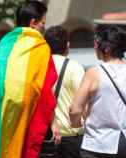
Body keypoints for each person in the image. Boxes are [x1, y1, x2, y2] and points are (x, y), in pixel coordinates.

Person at [0, 1, 58, 158]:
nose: (44, 28)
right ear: (33, 23)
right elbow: (46, 86)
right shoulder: (40, 46)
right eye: (43, 23)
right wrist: (52, 121)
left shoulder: (3, 43)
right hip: (23, 111)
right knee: (17, 148)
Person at [69, 26, 126, 158]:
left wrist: (77, 124)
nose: (94, 46)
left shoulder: (94, 73)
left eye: (97, 42)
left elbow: (75, 110)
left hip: (98, 144)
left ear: (107, 48)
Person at [44, 26, 85, 158]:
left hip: (45, 136)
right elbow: (83, 102)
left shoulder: (39, 65)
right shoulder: (74, 67)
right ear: (67, 45)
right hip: (70, 138)